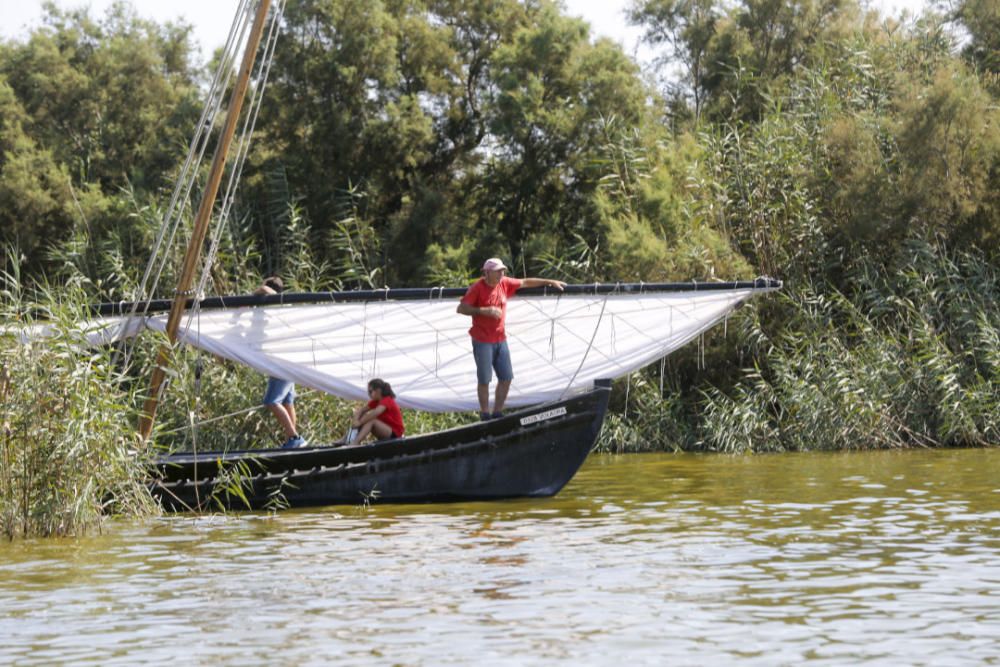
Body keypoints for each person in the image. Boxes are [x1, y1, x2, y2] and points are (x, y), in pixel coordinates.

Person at [456, 257, 566, 420]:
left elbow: (525, 282)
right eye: (498, 271)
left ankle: (497, 413)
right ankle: (485, 414)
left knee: (506, 377)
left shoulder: (504, 283)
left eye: (503, 270)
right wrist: (485, 311)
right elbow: (461, 308)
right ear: (487, 273)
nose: (502, 273)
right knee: (484, 379)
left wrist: (548, 282)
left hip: (501, 339)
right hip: (482, 340)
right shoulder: (477, 287)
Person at [255, 276, 306, 449]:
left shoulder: (278, 305)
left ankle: (294, 437)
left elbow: (267, 292)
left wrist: (257, 291)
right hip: (285, 361)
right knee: (287, 402)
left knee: (271, 401)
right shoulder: (277, 309)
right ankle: (292, 440)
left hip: (282, 363)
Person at [347, 378, 405, 446]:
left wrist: (359, 422)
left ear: (378, 390)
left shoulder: (387, 400)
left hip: (395, 433)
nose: (369, 394)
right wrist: (356, 420)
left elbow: (375, 413)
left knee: (372, 420)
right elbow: (361, 410)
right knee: (362, 416)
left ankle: (355, 442)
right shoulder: (375, 401)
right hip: (385, 430)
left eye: (370, 391)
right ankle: (346, 439)